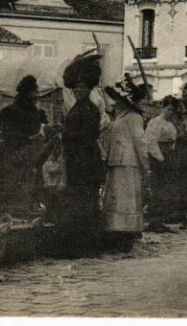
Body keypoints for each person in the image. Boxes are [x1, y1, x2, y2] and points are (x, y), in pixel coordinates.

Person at [52, 58, 106, 258]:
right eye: (76, 87)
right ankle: (82, 244)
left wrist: (65, 134)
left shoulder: (89, 109)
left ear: (89, 89)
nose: (79, 90)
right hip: (79, 160)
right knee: (81, 202)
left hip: (84, 161)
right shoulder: (78, 107)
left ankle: (82, 245)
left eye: (83, 87)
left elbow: (87, 135)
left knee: (83, 202)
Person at [103, 74, 150, 252]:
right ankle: (116, 231)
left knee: (127, 199)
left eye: (117, 99)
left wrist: (145, 165)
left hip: (129, 163)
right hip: (117, 161)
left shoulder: (134, 117)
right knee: (117, 199)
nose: (114, 102)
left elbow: (140, 142)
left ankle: (127, 233)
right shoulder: (120, 117)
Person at [0, 75, 48, 213]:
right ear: (27, 93)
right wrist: (28, 139)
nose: (37, 95)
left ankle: (28, 207)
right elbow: (8, 134)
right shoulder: (12, 111)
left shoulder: (35, 111)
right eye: (35, 92)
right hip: (18, 152)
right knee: (19, 182)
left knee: (29, 181)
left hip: (32, 153)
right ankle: (18, 210)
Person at [143, 95, 179, 233]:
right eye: (168, 109)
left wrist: (170, 157)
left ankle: (160, 220)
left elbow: (173, 143)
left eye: (173, 110)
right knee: (157, 189)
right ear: (162, 108)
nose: (170, 112)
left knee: (165, 189)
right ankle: (154, 222)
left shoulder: (171, 125)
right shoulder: (155, 122)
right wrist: (161, 158)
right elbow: (150, 142)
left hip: (168, 157)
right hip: (158, 159)